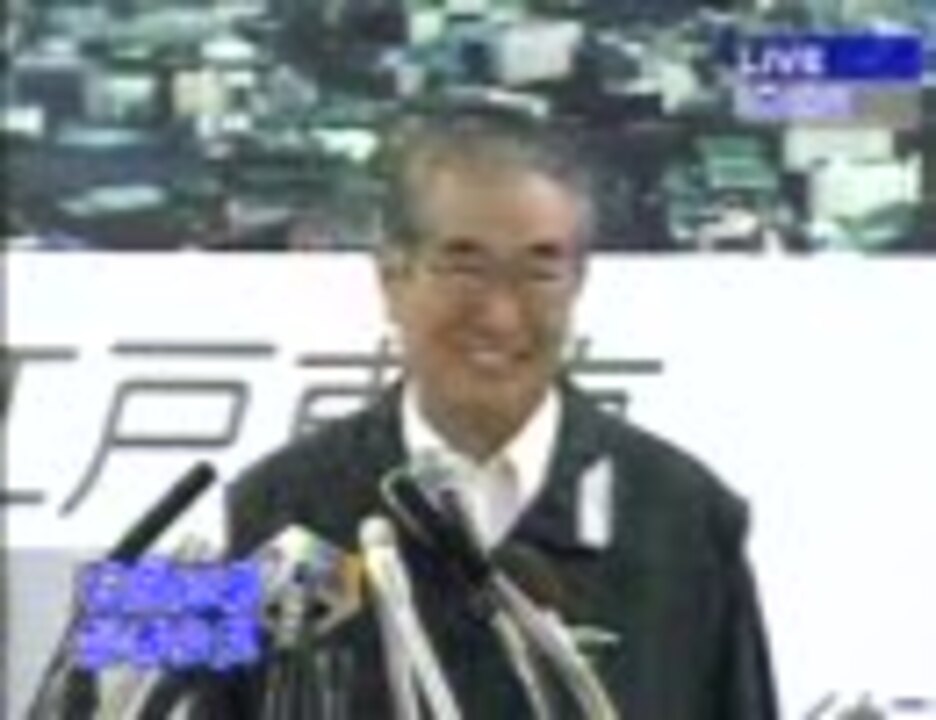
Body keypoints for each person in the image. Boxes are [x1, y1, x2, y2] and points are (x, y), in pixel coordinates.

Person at [205, 106, 779, 719]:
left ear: (579, 283)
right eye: (465, 266)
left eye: (540, 270)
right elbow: (158, 694)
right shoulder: (270, 508)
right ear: (392, 277)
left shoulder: (684, 519)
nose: (501, 314)